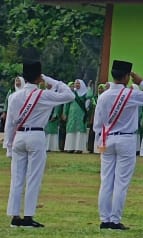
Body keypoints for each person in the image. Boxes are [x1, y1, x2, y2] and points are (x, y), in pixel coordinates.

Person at [5, 61, 87, 227]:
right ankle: (28, 216)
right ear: (39, 77)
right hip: (36, 135)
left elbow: (9, 124)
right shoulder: (43, 95)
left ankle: (14, 215)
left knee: (17, 178)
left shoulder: (14, 96)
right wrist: (51, 80)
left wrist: (8, 145)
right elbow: (70, 95)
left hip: (19, 136)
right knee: (33, 177)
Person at [94, 60, 143, 230]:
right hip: (126, 139)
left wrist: (100, 142)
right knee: (121, 182)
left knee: (106, 181)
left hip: (107, 138)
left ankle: (104, 219)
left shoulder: (103, 96)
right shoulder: (131, 94)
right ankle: (115, 220)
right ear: (126, 77)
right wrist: (140, 81)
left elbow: (97, 124)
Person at [64, 80, 90, 152]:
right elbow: (67, 104)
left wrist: (89, 88)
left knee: (80, 130)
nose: (77, 85)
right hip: (72, 114)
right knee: (71, 129)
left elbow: (89, 97)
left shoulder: (85, 93)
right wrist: (65, 113)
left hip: (81, 114)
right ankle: (70, 148)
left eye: (78, 83)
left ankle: (79, 148)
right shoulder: (72, 93)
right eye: (76, 83)